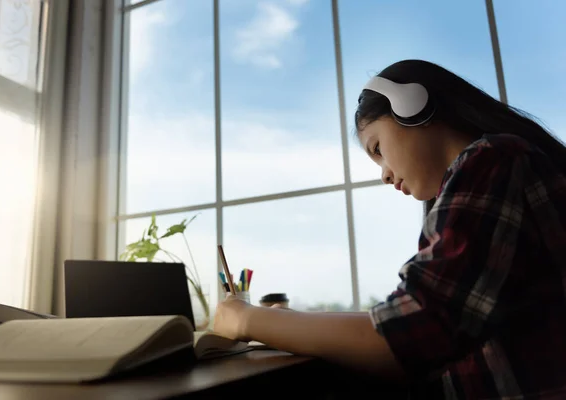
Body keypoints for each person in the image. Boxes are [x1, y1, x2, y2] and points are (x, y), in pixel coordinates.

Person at [212, 59, 566, 399]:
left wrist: (245, 319)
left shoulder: (494, 160)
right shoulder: (501, 165)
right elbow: (411, 316)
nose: (384, 174)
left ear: (413, 107)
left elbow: (413, 333)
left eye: (378, 148)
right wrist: (295, 324)